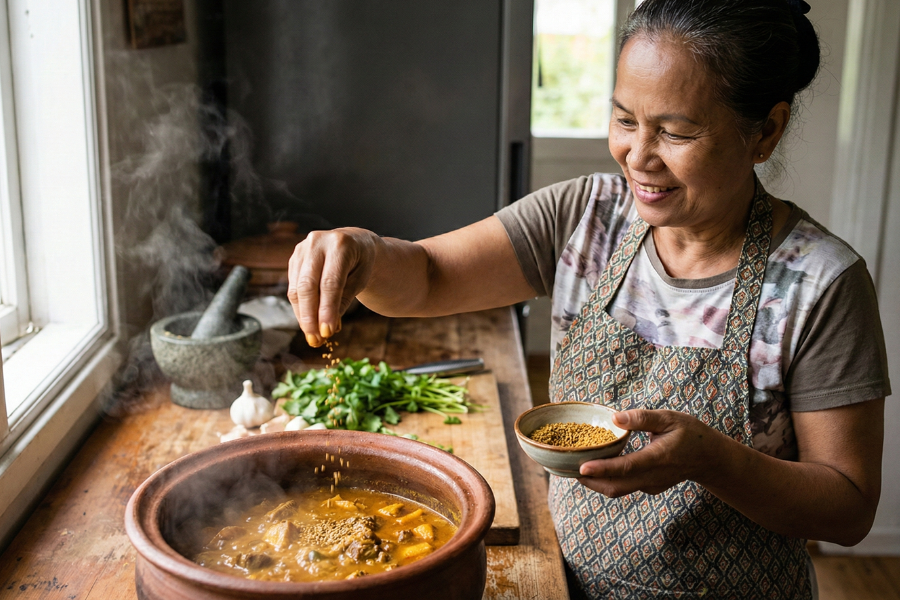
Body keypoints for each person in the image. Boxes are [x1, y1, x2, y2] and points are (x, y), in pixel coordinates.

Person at [286, 0, 891, 597]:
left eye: (676, 132)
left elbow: (847, 510)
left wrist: (713, 462)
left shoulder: (821, 284)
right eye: (625, 120)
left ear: (766, 131)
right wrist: (365, 252)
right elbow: (427, 277)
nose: (638, 156)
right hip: (563, 583)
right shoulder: (587, 216)